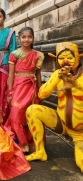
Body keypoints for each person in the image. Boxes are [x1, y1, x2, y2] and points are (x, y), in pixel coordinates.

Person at [25, 42, 83, 172]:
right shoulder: (57, 73)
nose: (66, 61)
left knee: (81, 162)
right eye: (61, 58)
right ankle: (40, 151)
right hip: (61, 123)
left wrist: (76, 85)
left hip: (80, 132)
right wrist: (57, 77)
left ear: (78, 57)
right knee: (32, 110)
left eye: (69, 57)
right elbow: (42, 94)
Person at [5, 27, 44, 151]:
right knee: (16, 112)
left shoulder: (38, 55)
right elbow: (11, 74)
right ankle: (22, 144)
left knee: (31, 114)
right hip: (18, 86)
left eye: (29, 37)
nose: (26, 39)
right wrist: (10, 92)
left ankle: (33, 144)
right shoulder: (14, 54)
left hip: (31, 87)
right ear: (19, 39)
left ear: (33, 38)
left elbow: (38, 74)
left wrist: (40, 91)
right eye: (24, 37)